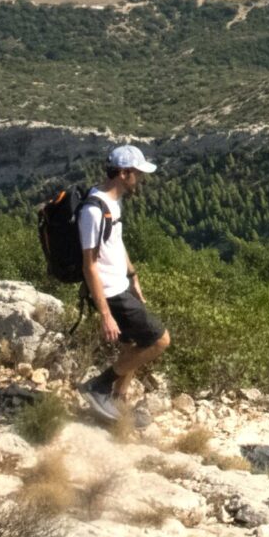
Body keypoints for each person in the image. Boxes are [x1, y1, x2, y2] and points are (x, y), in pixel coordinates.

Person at [78, 145, 170, 427]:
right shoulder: (94, 211)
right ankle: (99, 386)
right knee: (159, 340)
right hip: (109, 292)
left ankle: (117, 401)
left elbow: (115, 244)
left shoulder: (112, 202)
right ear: (123, 173)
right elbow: (89, 264)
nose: (140, 179)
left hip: (121, 285)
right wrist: (105, 314)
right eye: (137, 174)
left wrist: (133, 276)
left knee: (135, 341)